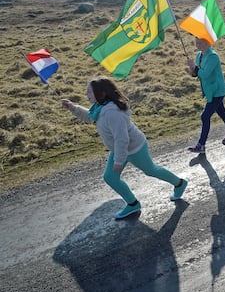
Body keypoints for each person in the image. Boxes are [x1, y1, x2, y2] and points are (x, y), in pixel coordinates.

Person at [61, 77, 188, 219]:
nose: (87, 95)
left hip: (134, 148)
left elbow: (122, 139)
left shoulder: (112, 112)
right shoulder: (99, 107)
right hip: (119, 149)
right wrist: (73, 108)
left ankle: (180, 183)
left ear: (101, 94)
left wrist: (119, 161)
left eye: (89, 92)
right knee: (110, 177)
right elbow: (90, 117)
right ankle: (133, 204)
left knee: (151, 170)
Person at [186, 37, 225, 154]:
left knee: (205, 116)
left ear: (208, 43)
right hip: (210, 91)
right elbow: (196, 74)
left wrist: (194, 67)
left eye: (200, 42)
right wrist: (191, 68)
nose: (198, 44)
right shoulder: (199, 55)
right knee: (222, 113)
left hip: (217, 91)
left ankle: (201, 145)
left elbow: (205, 74)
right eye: (196, 42)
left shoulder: (213, 56)